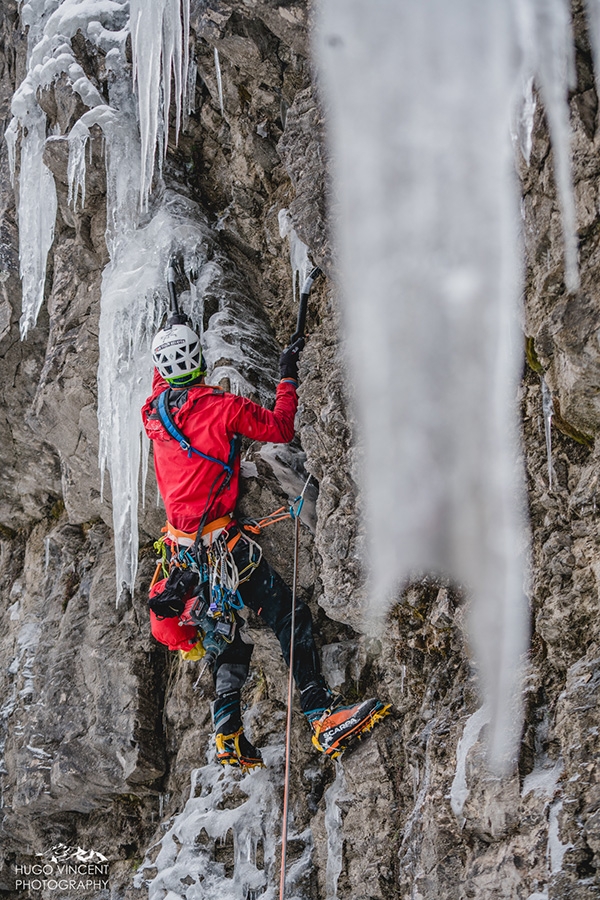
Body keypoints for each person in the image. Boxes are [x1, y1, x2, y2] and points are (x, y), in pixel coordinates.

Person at [141, 317, 389, 769]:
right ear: (199, 359)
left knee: (225, 636)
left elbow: (168, 376)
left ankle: (228, 733)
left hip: (183, 554)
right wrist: (287, 373)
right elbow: (280, 427)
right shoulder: (220, 406)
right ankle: (321, 714)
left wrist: (169, 333)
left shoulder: (154, 413)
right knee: (288, 614)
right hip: (224, 550)